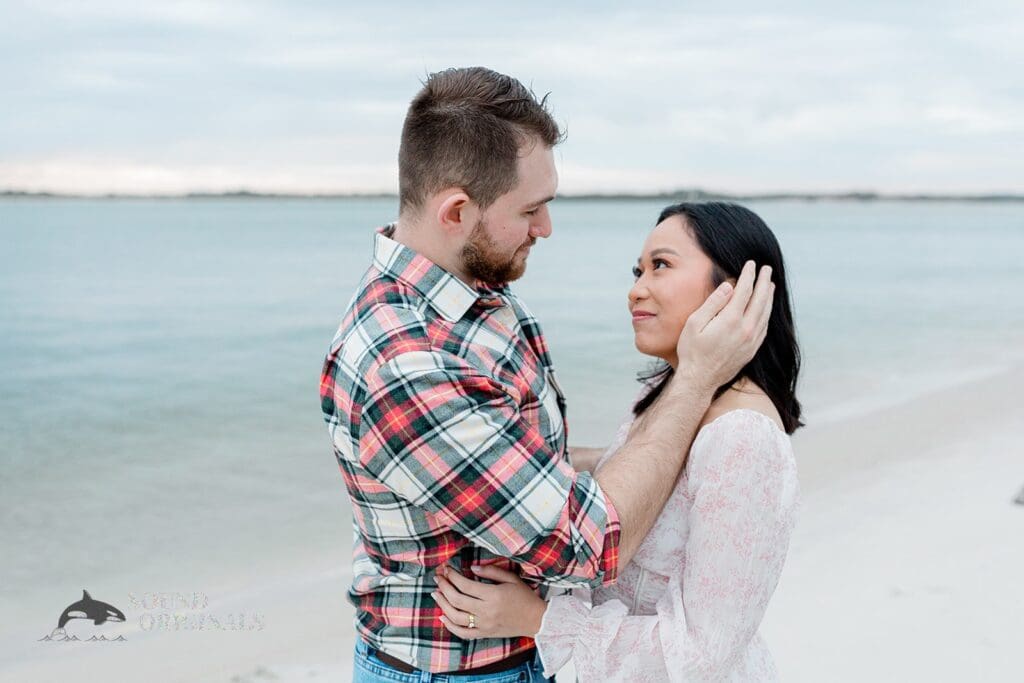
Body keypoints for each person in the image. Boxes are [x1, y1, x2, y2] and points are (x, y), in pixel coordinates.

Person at [319, 66, 775, 683]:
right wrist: (694, 380)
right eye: (531, 210)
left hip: (530, 658)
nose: (546, 229)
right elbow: (590, 545)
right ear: (457, 211)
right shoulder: (404, 363)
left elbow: (530, 461)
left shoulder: (475, 293)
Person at [434, 202, 802, 682]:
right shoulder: (675, 396)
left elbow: (701, 654)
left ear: (736, 293)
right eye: (637, 270)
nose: (636, 290)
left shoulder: (744, 439)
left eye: (661, 266)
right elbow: (642, 485)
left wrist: (535, 618)